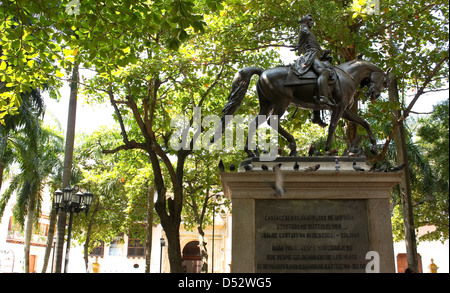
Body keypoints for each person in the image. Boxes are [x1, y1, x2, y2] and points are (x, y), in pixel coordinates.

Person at [293, 14, 335, 120]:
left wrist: (325, 53)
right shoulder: (303, 28)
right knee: (323, 72)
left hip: (316, 55)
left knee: (331, 72)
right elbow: (303, 33)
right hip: (310, 56)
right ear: (305, 21)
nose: (312, 22)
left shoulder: (310, 33)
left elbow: (317, 48)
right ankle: (323, 98)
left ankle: (316, 116)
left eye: (312, 20)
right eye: (310, 20)